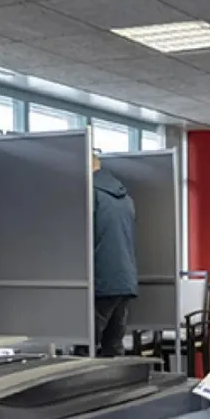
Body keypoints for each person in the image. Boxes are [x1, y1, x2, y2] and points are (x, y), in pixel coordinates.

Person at [91, 150, 138, 357]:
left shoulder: (91, 194)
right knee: (113, 346)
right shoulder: (125, 197)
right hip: (124, 279)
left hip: (101, 280)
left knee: (86, 346)